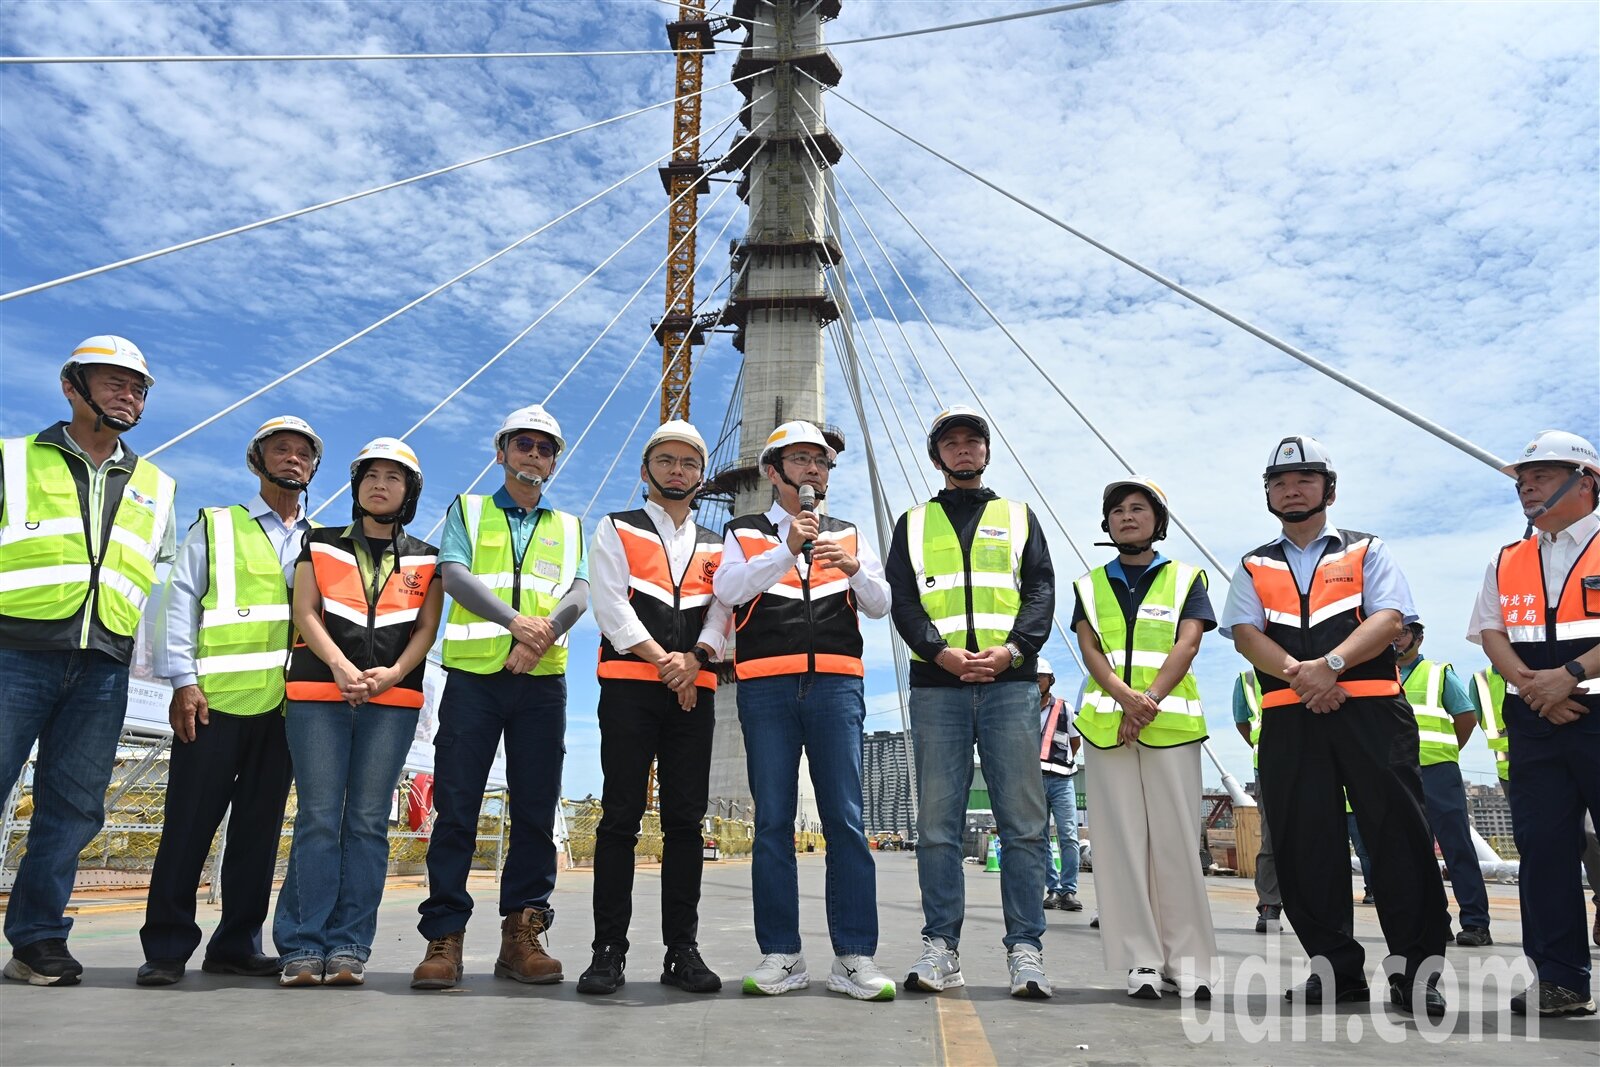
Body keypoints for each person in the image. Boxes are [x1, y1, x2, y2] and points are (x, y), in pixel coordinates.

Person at [1222, 434, 1449, 1017]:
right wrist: (1303, 675)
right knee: (1305, 846)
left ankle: (1416, 974)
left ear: (1328, 488)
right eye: (1279, 482)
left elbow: (1390, 617)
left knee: (1397, 837)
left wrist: (1331, 667)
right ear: (1268, 493)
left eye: (1303, 479)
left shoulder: (1367, 549)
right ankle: (1336, 970)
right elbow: (1246, 634)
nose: (1290, 489)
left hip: (1371, 711)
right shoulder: (1253, 563)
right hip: (1290, 716)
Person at [1, 336, 177, 987]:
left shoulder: (157, 485)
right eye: (113, 382)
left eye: (137, 387)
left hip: (104, 665)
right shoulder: (14, 460)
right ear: (72, 387)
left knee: (73, 808)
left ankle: (38, 940)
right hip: (14, 650)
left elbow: (151, 579)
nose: (128, 394)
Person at [712, 420, 894, 1001]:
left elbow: (882, 604)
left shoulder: (850, 534)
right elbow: (729, 590)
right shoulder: (743, 532)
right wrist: (787, 549)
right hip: (765, 687)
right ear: (773, 472)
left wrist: (852, 567)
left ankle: (854, 956)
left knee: (845, 820)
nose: (815, 469)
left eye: (822, 462)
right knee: (772, 823)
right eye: (801, 459)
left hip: (837, 685)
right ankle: (781, 955)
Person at [137, 417, 320, 986]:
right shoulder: (217, 526)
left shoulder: (323, 542)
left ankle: (237, 944)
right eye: (280, 450)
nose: (292, 459)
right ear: (255, 461)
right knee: (188, 825)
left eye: (303, 454)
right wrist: (182, 681)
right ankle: (166, 948)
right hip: (213, 704)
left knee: (258, 834)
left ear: (314, 468)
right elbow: (181, 600)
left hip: (284, 711)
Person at [411, 405, 588, 990]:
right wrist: (519, 624)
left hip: (540, 682)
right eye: (524, 445)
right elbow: (454, 574)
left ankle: (523, 935)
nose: (534, 455)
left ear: (554, 462)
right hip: (474, 681)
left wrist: (540, 639)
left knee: (536, 809)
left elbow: (579, 593)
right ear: (501, 452)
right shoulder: (468, 509)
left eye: (545, 448)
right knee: (456, 808)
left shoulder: (569, 526)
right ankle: (445, 938)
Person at [885, 405, 1056, 999]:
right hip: (939, 687)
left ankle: (1026, 951)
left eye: (972, 442)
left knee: (1024, 824)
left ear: (986, 453)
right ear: (938, 457)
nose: (963, 450)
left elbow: (1040, 591)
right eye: (951, 444)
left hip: (1009, 685)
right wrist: (941, 654)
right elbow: (902, 601)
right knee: (936, 825)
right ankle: (942, 948)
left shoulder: (1018, 516)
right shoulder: (912, 523)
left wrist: (1013, 651)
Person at [273, 438, 442, 986]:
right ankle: (301, 945)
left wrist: (392, 674)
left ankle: (349, 947)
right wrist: (342, 667)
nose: (380, 485)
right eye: (371, 475)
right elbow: (305, 610)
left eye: (393, 478)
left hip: (390, 702)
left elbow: (424, 630)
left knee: (369, 823)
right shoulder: (319, 544)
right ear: (356, 485)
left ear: (409, 491)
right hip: (319, 697)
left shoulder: (426, 559)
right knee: (319, 818)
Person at [577, 421, 729, 996]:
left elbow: (724, 608)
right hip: (630, 689)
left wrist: (697, 659)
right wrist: (669, 663)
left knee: (686, 822)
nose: (677, 471)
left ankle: (681, 950)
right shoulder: (616, 528)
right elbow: (610, 606)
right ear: (646, 471)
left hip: (695, 688)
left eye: (688, 463)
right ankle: (607, 951)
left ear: (701, 475)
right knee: (620, 817)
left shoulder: (719, 543)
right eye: (665, 461)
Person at [1467, 429, 1600, 1017]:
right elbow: (1490, 631)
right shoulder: (1508, 558)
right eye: (1523, 478)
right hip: (1536, 720)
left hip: (1592, 705)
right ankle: (1560, 978)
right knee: (1543, 850)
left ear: (1586, 481)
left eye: (1540, 475)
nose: (1526, 485)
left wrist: (1568, 673)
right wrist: (1532, 685)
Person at [1072, 476, 1218, 1001]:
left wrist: (1148, 699)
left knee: (1177, 844)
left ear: (1158, 521)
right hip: (1108, 727)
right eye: (1117, 511)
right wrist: (1125, 699)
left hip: (1170, 727)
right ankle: (1142, 962)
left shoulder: (1185, 578)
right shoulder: (1088, 585)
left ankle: (1190, 961)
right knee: (1120, 848)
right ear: (1106, 524)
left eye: (1138, 509)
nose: (1127, 517)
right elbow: (1091, 651)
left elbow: (1189, 643)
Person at [1471, 664, 1600, 947]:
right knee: (1539, 846)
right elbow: (1479, 721)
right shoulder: (1480, 681)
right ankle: (1556, 950)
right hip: (1517, 772)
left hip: (1577, 756)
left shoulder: (1552, 664)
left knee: (1590, 835)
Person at [1391, 620, 1492, 946]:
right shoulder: (1381, 678)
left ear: (1418, 638)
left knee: (1456, 847)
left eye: (1403, 632)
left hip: (1437, 771)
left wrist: (1447, 753)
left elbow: (1466, 717)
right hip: (1400, 774)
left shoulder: (1438, 673)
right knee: (1413, 853)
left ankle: (1476, 923)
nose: (1396, 638)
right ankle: (1435, 922)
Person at [1232, 670, 1281, 933]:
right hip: (1268, 765)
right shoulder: (1247, 680)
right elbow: (1243, 723)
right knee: (1272, 838)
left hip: (1314, 758)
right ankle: (1269, 906)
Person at [1036, 657, 1082, 913]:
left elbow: (1075, 741)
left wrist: (1062, 762)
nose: (1037, 682)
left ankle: (1068, 890)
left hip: (1062, 780)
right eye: (1034, 677)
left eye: (1041, 677)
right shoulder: (1023, 707)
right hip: (1035, 778)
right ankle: (1052, 889)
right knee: (1041, 837)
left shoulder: (1064, 708)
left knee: (1069, 836)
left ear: (1050, 680)